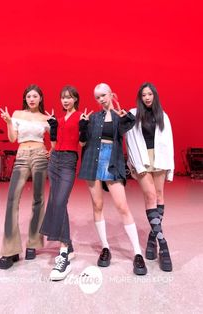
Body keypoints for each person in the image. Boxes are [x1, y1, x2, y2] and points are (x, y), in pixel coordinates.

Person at [79, 83, 147, 276]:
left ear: (111, 94)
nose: (100, 99)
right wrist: (83, 128)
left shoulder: (120, 117)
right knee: (97, 206)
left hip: (112, 162)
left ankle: (137, 253)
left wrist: (120, 109)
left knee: (122, 206)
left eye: (103, 95)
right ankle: (105, 247)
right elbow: (83, 142)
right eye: (97, 97)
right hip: (92, 161)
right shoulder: (92, 117)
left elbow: (129, 126)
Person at [40, 85, 92, 281]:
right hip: (54, 162)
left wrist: (84, 127)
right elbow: (53, 146)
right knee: (56, 202)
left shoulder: (80, 117)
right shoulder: (59, 120)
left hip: (69, 161)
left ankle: (63, 257)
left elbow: (82, 144)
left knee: (60, 202)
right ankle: (67, 247)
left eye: (69, 97)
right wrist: (53, 127)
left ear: (76, 99)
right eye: (63, 98)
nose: (65, 100)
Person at [0, 84, 50, 269]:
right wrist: (8, 122)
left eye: (35, 96)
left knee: (38, 200)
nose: (32, 99)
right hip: (21, 155)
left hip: (39, 155)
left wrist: (50, 151)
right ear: (25, 99)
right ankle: (10, 249)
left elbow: (55, 139)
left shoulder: (45, 118)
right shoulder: (17, 114)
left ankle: (33, 243)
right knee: (12, 199)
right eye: (28, 96)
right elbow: (13, 138)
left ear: (40, 98)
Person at [125, 82, 174, 272]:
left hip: (159, 159)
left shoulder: (163, 116)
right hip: (142, 159)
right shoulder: (133, 113)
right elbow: (128, 136)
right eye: (144, 94)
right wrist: (134, 164)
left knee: (160, 196)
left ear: (155, 96)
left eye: (150, 94)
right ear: (140, 97)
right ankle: (164, 245)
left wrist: (170, 166)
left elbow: (168, 141)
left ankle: (152, 239)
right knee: (151, 196)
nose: (147, 97)